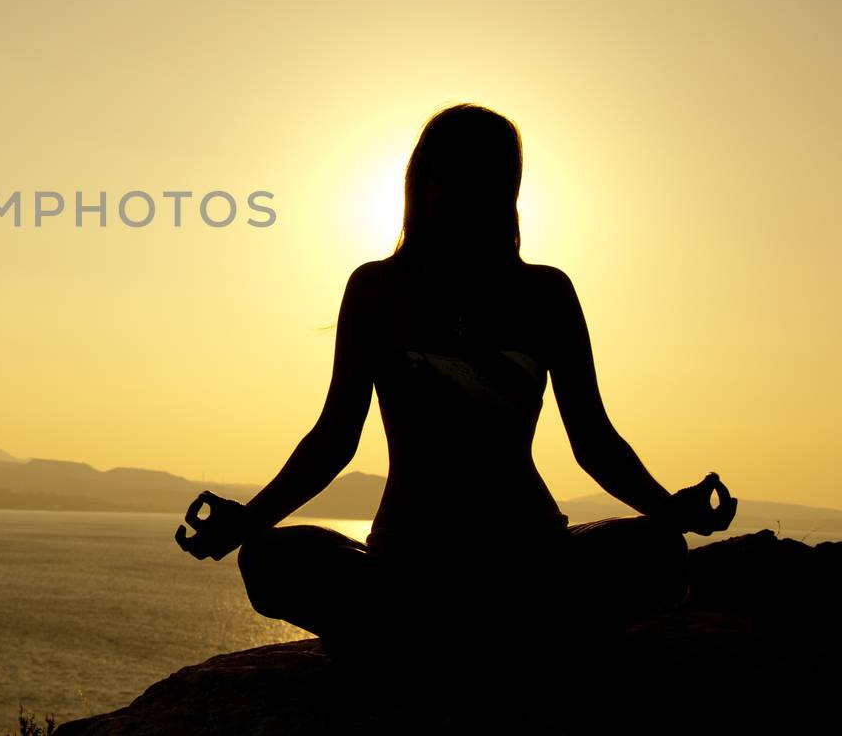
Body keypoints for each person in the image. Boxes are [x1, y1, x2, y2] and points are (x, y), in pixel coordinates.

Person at [173, 103, 737, 666]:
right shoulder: (376, 289)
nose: (467, 189)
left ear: (508, 187)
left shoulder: (546, 294)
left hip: (531, 558)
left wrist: (670, 511)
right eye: (453, 172)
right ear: (424, 181)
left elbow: (593, 439)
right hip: (409, 563)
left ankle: (427, 640)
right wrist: (248, 521)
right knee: (269, 557)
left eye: (487, 174)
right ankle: (503, 638)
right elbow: (334, 438)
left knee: (659, 551)